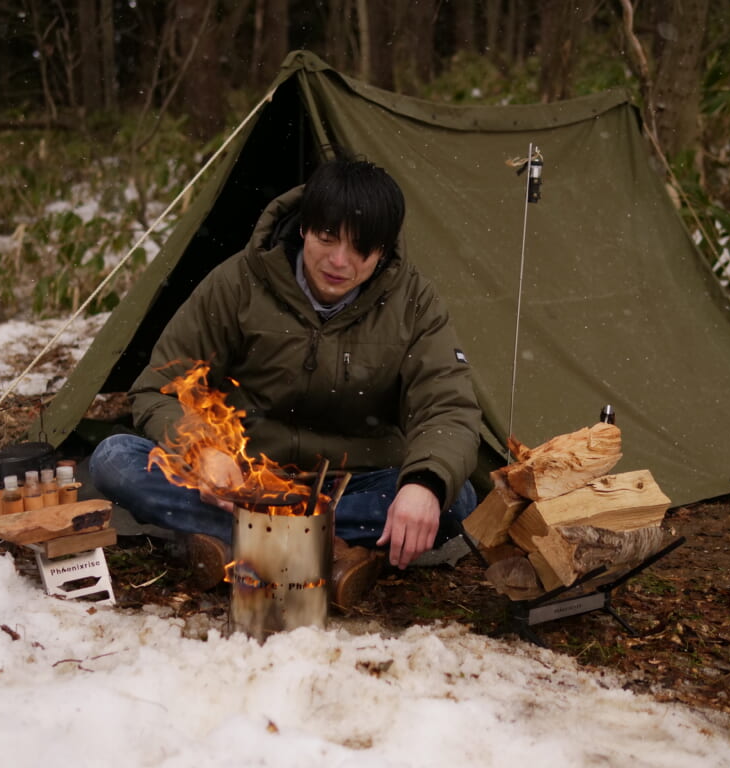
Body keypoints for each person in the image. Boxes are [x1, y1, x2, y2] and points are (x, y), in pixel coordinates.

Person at [90, 154, 481, 607]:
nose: (339, 261)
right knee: (114, 459)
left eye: (360, 250)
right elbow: (161, 386)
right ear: (303, 227)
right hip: (245, 479)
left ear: (384, 250)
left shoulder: (415, 302)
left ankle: (239, 548)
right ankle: (329, 554)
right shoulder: (237, 282)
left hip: (353, 483)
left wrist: (422, 487)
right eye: (327, 238)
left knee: (454, 498)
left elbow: (447, 405)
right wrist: (204, 450)